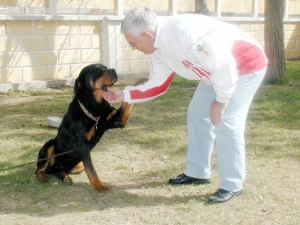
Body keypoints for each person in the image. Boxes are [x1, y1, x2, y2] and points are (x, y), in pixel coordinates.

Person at [102, 6, 267, 204]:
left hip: (245, 65)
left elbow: (224, 65)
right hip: (215, 72)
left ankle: (232, 185)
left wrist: (221, 101)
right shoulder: (157, 48)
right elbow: (158, 84)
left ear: (147, 35)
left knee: (226, 120)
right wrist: (124, 94)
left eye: (133, 44)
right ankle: (198, 173)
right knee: (198, 113)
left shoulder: (185, 34)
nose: (133, 48)